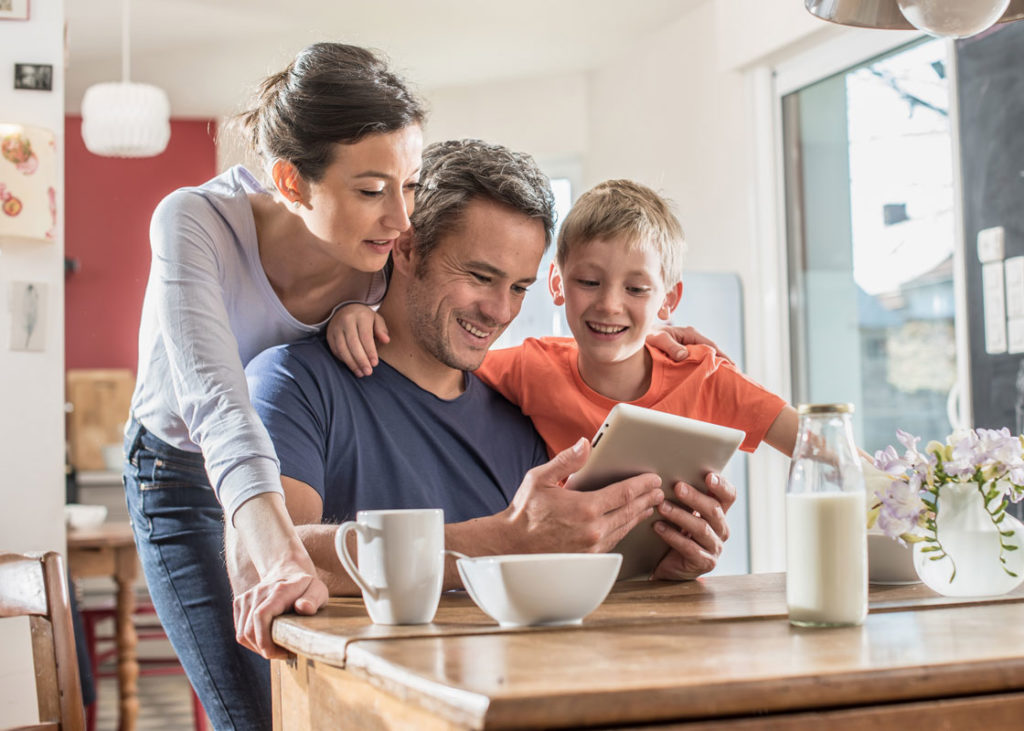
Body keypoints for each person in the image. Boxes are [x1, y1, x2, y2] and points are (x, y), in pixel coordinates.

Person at [234, 140, 738, 661]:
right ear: (405, 249)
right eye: (480, 276)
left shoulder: (521, 417)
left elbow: (550, 589)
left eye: (519, 287)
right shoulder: (295, 383)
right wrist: (503, 541)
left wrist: (660, 572)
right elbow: (264, 561)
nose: (500, 311)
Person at [122, 42, 425, 730]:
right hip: (181, 476)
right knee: (253, 711)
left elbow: (464, 322)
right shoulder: (194, 222)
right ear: (290, 182)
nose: (402, 218)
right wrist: (284, 555)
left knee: (331, 700)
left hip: (296, 472)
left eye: (412, 185)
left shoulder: (383, 258)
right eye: (373, 190)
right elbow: (218, 406)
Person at [472, 179, 799, 459]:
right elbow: (437, 369)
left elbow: (820, 446)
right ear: (557, 283)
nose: (610, 305)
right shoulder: (531, 368)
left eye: (637, 289)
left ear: (668, 300)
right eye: (589, 282)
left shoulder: (702, 376)